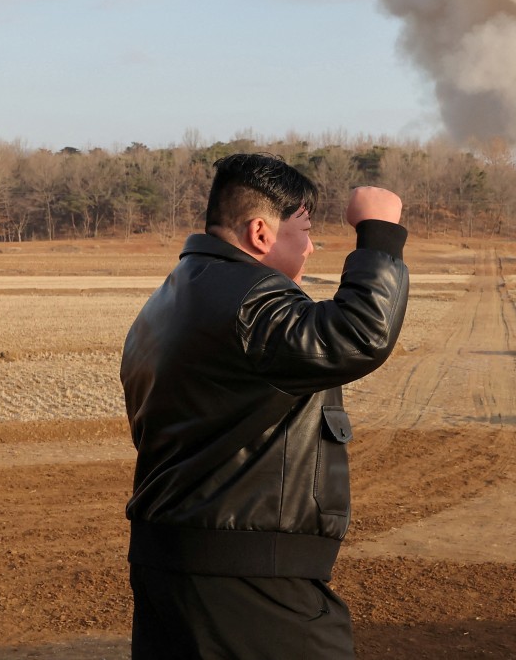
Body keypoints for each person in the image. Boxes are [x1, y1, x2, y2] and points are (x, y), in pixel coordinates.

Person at [120, 153, 409, 659]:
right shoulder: (249, 298)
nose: (312, 246)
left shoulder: (168, 299)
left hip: (169, 567)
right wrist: (379, 232)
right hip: (249, 580)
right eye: (304, 229)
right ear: (260, 232)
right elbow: (358, 333)